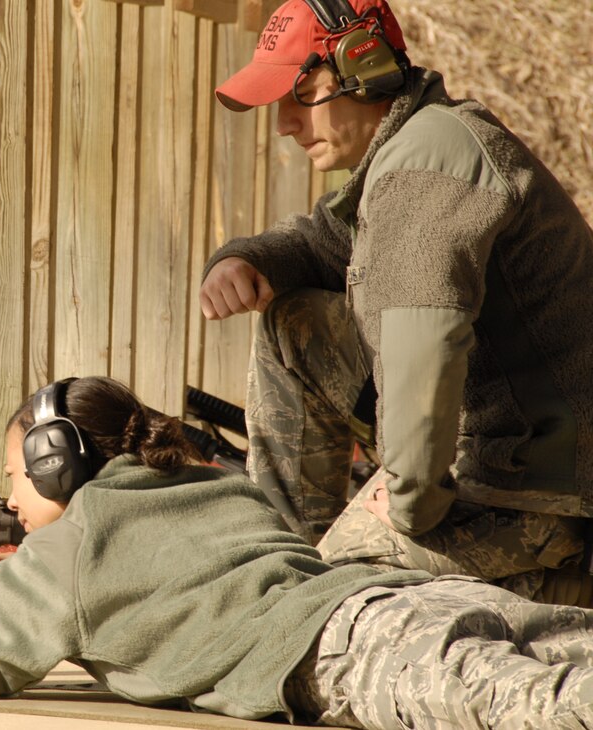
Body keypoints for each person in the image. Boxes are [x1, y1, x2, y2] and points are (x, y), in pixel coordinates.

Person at [0, 376, 593, 728]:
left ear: (60, 461)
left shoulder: (69, 553)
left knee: (554, 710)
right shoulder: (212, 482)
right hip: (406, 600)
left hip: (350, 650)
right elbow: (149, 578)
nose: (10, 496)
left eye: (17, 474)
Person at [198, 0, 593, 602]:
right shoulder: (406, 152)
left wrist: (408, 499)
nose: (283, 123)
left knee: (305, 610)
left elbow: (423, 349)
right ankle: (285, 551)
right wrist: (244, 259)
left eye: (299, 94)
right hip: (496, 462)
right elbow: (321, 243)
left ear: (368, 66)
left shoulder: (427, 166)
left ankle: (557, 592)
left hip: (531, 492)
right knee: (294, 319)